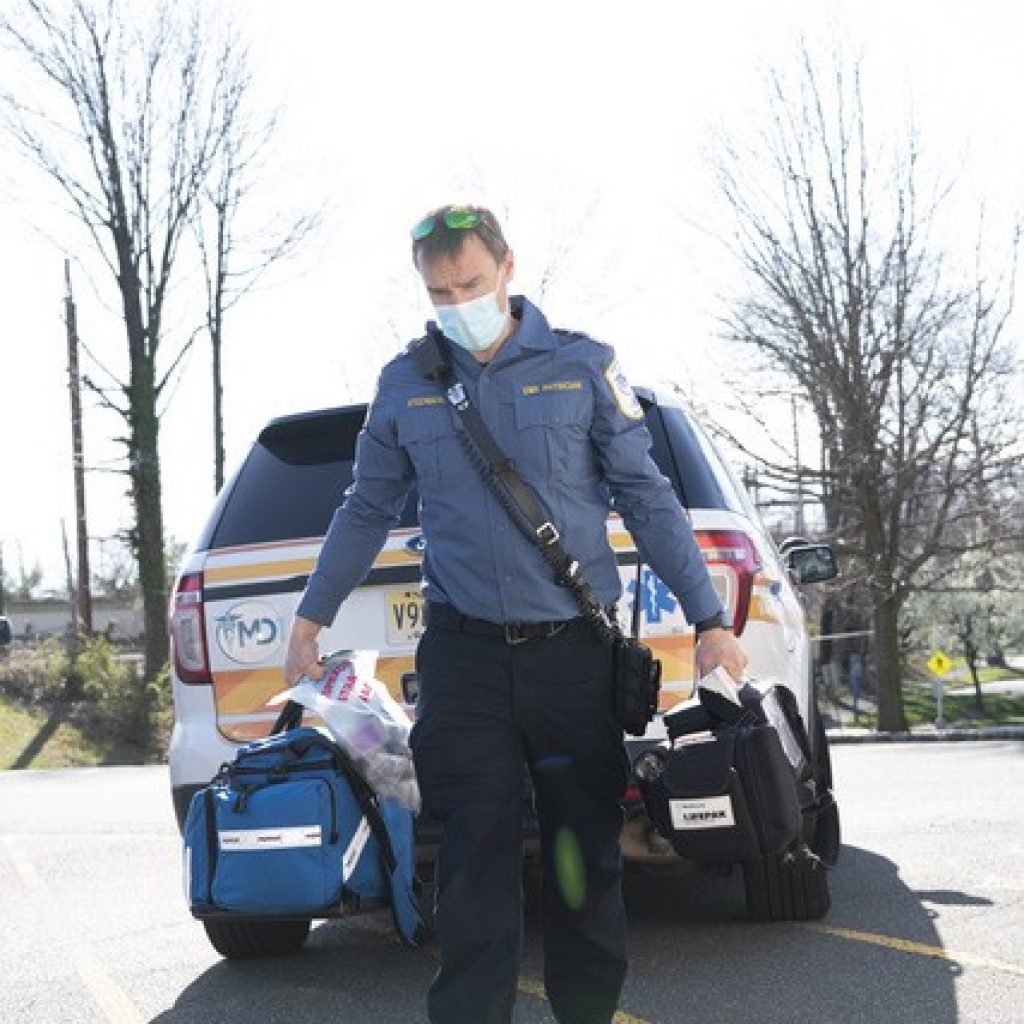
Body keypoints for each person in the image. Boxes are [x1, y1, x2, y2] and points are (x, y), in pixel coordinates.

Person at [285, 204, 747, 1024]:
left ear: (506, 268)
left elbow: (647, 498)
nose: (456, 302)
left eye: (469, 283)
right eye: (438, 291)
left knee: (583, 857)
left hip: (571, 658)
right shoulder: (406, 383)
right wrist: (311, 617)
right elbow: (366, 507)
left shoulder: (581, 368)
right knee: (472, 862)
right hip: (464, 660)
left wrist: (709, 618)